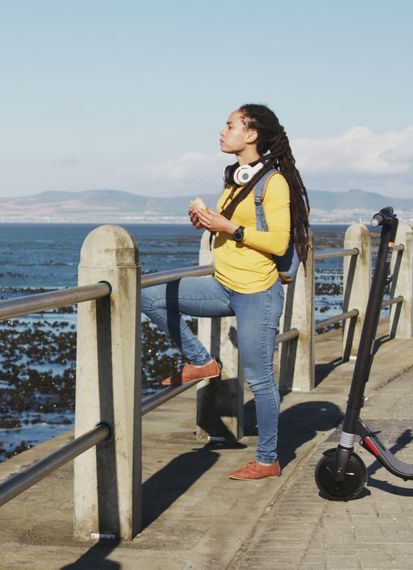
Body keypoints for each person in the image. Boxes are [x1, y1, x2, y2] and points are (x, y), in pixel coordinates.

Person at [141, 103, 311, 480]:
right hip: (222, 284)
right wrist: (209, 223)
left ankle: (267, 460)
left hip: (257, 293)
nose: (222, 131)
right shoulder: (235, 176)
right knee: (152, 296)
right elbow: (231, 227)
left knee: (259, 377)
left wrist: (229, 227)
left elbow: (279, 241)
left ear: (251, 134)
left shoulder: (274, 182)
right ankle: (201, 360)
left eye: (231, 125)